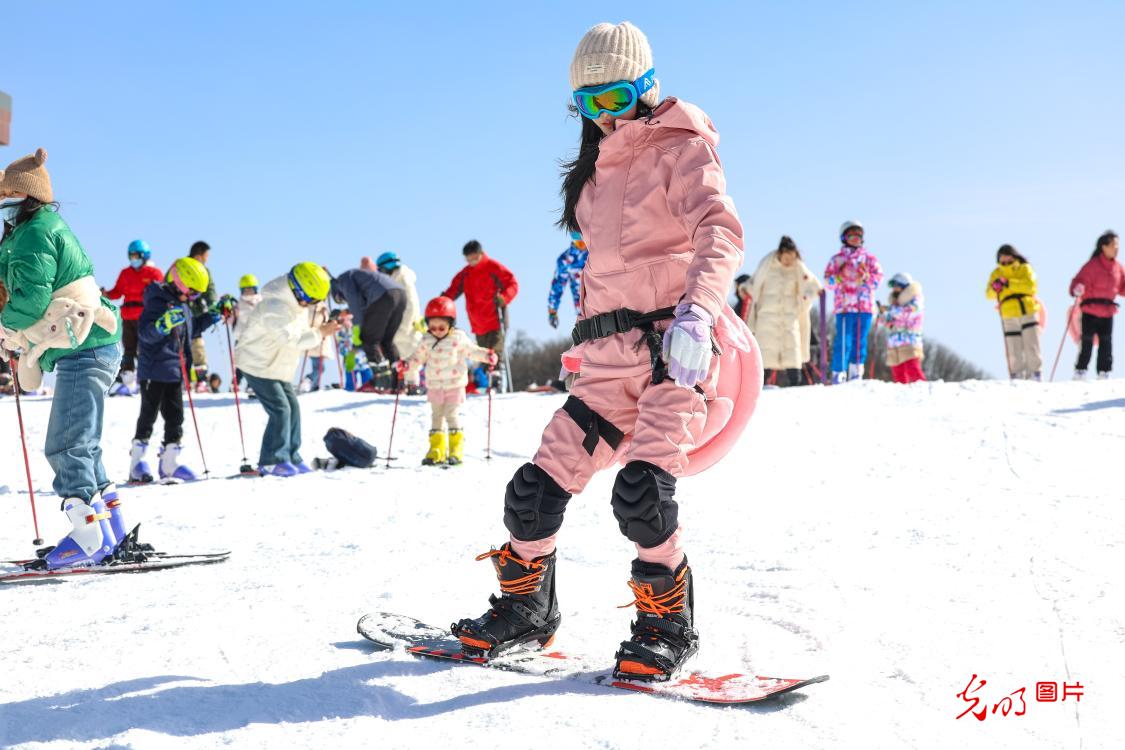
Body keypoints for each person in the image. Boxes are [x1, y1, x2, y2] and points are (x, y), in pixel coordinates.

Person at [451, 22, 748, 682]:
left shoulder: (682, 145)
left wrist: (697, 315)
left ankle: (665, 625)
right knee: (531, 494)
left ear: (645, 87)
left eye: (614, 97)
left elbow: (719, 234)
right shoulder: (592, 178)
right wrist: (583, 345)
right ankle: (524, 608)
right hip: (606, 363)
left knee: (642, 494)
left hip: (673, 352)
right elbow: (604, 275)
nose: (603, 115)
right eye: (590, 104)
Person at [0, 148, 125, 569]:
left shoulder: (35, 232)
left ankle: (89, 540)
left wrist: (4, 321)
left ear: (24, 193)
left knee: (66, 444)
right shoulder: (32, 229)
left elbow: (32, 299)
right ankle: (112, 532)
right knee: (84, 444)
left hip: (83, 347)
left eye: (5, 191)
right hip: (92, 342)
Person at [235, 262, 338, 476]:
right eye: (310, 300)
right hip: (257, 365)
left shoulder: (294, 306)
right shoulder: (274, 307)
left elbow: (304, 330)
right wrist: (320, 333)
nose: (310, 304)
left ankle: (290, 455)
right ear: (297, 290)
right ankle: (272, 460)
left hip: (275, 367)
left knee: (293, 407)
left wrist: (326, 325)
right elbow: (290, 339)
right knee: (280, 409)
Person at [128, 257, 211, 484]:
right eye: (193, 293)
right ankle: (136, 463)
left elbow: (191, 329)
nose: (194, 298)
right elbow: (145, 334)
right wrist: (162, 325)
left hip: (175, 370)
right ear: (179, 283)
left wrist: (212, 316)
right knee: (149, 416)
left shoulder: (182, 304)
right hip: (153, 370)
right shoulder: (156, 301)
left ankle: (169, 463)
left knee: (176, 418)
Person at [404, 296, 497, 466]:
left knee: (452, 416)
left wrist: (487, 356)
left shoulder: (458, 338)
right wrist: (406, 366)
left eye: (441, 327)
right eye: (432, 327)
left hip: (454, 386)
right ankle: (436, 451)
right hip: (435, 386)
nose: (437, 331)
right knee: (436, 417)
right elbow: (417, 358)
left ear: (451, 324)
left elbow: (472, 351)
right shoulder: (426, 340)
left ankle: (455, 451)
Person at [747, 236, 822, 386]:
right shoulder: (767, 265)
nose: (789, 261)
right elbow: (753, 283)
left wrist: (809, 296)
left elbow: (813, 285)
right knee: (765, 352)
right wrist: (744, 289)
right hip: (767, 316)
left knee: (792, 351)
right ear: (780, 254)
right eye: (786, 257)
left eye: (792, 258)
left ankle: (795, 384)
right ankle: (759, 386)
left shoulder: (798, 269)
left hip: (790, 317)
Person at [441, 240, 518, 380]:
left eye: (474, 258)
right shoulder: (465, 274)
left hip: (496, 319)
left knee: (495, 355)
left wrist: (504, 298)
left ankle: (498, 381)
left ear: (481, 254)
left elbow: (512, 283)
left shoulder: (493, 267)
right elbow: (453, 290)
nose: (472, 262)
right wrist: (442, 301)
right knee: (482, 354)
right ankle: (485, 384)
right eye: (468, 259)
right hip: (478, 323)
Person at [824, 220, 883, 383]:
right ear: (844, 237)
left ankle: (856, 372)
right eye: (851, 235)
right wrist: (839, 276)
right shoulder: (837, 260)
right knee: (843, 340)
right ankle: (839, 373)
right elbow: (828, 282)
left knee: (860, 341)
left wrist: (866, 278)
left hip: (863, 307)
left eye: (858, 235)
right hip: (844, 307)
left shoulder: (869, 259)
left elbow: (878, 279)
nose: (855, 238)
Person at [102, 239, 164, 394]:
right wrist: (106, 294)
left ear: (144, 255)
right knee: (129, 350)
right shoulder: (126, 273)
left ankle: (149, 381)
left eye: (136, 255)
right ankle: (127, 381)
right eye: (131, 256)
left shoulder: (154, 273)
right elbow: (117, 292)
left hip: (145, 318)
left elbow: (162, 294)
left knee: (145, 349)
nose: (133, 259)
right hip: (128, 317)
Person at [329, 267, 406, 389]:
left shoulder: (343, 280)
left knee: (368, 339)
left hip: (383, 295)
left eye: (340, 299)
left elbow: (355, 306)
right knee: (387, 341)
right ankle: (398, 382)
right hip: (400, 294)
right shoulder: (359, 278)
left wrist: (359, 334)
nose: (343, 301)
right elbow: (364, 307)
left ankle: (381, 381)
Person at [1069, 230, 1123, 380]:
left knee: (1106, 342)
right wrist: (1077, 288)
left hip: (1108, 310)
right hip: (1090, 309)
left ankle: (1104, 371)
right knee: (1087, 340)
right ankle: (1081, 370)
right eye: (1113, 245)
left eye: (1117, 245)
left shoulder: (1118, 267)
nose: (1116, 249)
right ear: (1103, 247)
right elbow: (1078, 281)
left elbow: (1122, 287)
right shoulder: (1092, 265)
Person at [986, 244, 1042, 380]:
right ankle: (1016, 375)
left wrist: (1008, 284)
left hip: (1027, 309)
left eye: (1007, 256)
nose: (1005, 259)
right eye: (1002, 257)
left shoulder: (1024, 268)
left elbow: (1030, 286)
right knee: (1013, 347)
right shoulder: (996, 273)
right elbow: (988, 294)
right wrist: (995, 288)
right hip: (1008, 313)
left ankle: (1035, 373)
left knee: (1031, 344)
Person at [879, 272, 926, 384]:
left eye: (896, 286)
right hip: (895, 343)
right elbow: (891, 323)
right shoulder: (895, 305)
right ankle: (902, 396)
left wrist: (889, 309)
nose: (894, 289)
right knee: (898, 374)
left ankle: (923, 392)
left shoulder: (915, 301)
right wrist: (882, 317)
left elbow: (907, 313)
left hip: (910, 342)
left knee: (912, 369)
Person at [375, 252, 423, 361]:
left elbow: (411, 309)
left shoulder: (403, 281)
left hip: (406, 338)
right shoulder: (396, 283)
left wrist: (399, 332)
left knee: (408, 372)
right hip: (401, 338)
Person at [186, 241, 216, 391]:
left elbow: (210, 291)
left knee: (197, 346)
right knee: (184, 346)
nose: (207, 259)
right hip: (183, 312)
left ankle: (201, 380)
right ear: (199, 255)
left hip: (196, 313)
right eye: (206, 256)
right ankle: (183, 378)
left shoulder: (205, 271)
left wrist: (214, 307)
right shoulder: (182, 267)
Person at [548, 231, 588, 329]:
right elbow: (557, 286)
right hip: (584, 308)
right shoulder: (566, 260)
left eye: (585, 242)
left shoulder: (595, 252)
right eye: (580, 243)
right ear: (574, 242)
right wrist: (552, 311)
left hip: (605, 299)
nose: (583, 247)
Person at [231, 273, 261, 391]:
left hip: (256, 338)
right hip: (241, 337)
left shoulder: (260, 302)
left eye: (250, 290)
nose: (248, 292)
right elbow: (231, 320)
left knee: (254, 362)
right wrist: (229, 315)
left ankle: (252, 385)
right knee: (241, 362)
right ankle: (236, 382)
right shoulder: (238, 304)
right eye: (246, 290)